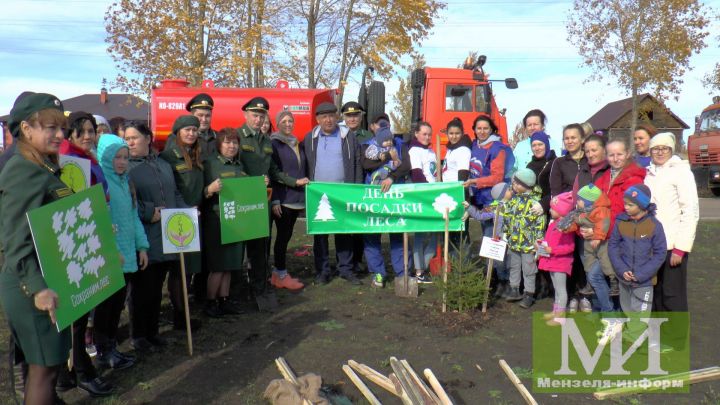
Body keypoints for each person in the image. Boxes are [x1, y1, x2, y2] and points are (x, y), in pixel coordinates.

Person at [0, 93, 75, 404]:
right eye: (50, 128)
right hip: (31, 283)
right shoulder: (23, 169)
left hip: (49, 275)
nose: (59, 136)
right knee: (43, 368)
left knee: (48, 366)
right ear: (26, 128)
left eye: (62, 129)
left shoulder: (42, 166)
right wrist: (38, 288)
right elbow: (16, 239)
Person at [57, 111, 114, 396]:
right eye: (83, 132)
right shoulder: (68, 161)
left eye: (93, 131)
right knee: (76, 314)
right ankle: (80, 370)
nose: (89, 137)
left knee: (80, 310)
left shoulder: (88, 159)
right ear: (71, 135)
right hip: (76, 240)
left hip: (92, 233)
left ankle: (68, 371)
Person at [239, 97, 308, 309]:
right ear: (245, 115)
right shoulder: (237, 138)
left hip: (263, 201)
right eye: (255, 115)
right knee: (242, 246)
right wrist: (251, 182)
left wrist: (294, 181)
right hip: (243, 200)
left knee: (262, 245)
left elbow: (274, 172)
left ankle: (261, 285)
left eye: (262, 116)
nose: (258, 119)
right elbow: (232, 166)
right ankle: (241, 288)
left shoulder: (265, 141)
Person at [126, 122, 187, 351]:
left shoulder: (163, 164)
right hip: (144, 237)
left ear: (148, 139)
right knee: (141, 288)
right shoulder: (127, 168)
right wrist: (148, 211)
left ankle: (152, 332)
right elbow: (127, 202)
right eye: (127, 138)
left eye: (134, 137)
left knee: (155, 288)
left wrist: (187, 212)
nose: (130, 142)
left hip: (167, 237)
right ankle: (138, 335)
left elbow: (174, 193)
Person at [93, 135, 149, 369]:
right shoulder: (102, 183)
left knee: (117, 305)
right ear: (105, 157)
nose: (122, 162)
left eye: (125, 157)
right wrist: (113, 250)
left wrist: (142, 246)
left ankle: (112, 346)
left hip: (127, 252)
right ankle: (103, 349)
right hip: (111, 255)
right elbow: (102, 221)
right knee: (105, 305)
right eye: (116, 157)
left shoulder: (125, 182)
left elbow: (133, 216)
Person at [644, 132, 699, 351]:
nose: (659, 152)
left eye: (664, 148)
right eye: (655, 148)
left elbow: (690, 211)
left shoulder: (681, 173)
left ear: (671, 150)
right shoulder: (649, 173)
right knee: (656, 292)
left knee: (673, 293)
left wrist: (681, 248)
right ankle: (659, 335)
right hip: (652, 245)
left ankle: (675, 340)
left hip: (673, 244)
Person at [304, 101, 363, 285]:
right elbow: (305, 164)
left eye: (331, 116)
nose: (328, 120)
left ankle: (345, 269)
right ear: (317, 119)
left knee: (343, 232)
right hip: (318, 194)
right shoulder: (309, 138)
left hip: (343, 192)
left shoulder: (348, 137)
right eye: (324, 117)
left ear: (337, 117)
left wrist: (356, 190)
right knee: (320, 235)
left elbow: (357, 163)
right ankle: (322, 271)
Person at [159, 115, 204, 330]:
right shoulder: (168, 156)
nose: (191, 133)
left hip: (195, 217)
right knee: (179, 270)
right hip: (178, 219)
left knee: (189, 269)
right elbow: (170, 189)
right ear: (177, 132)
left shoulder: (196, 155)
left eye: (194, 130)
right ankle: (179, 315)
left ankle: (184, 311)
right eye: (187, 129)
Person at [608, 185, 666, 345]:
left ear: (642, 205)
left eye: (630, 204)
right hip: (624, 278)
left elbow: (660, 253)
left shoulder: (654, 225)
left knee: (640, 312)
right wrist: (621, 269)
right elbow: (613, 246)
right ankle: (635, 336)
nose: (625, 207)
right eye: (625, 203)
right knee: (627, 308)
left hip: (644, 280)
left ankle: (634, 340)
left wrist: (641, 274)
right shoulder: (621, 222)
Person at [202, 128, 248, 316]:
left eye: (235, 143)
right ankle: (210, 303)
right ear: (219, 144)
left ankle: (224, 300)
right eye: (227, 142)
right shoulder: (210, 165)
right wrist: (209, 189)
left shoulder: (238, 165)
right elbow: (201, 193)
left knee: (230, 265)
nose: (231, 146)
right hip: (217, 221)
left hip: (235, 220)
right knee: (218, 266)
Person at [361, 119, 411, 288]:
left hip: (395, 195)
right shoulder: (367, 145)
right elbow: (366, 164)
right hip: (374, 196)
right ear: (372, 127)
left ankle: (402, 272)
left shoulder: (400, 144)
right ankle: (378, 272)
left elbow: (405, 165)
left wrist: (392, 177)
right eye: (378, 125)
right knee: (372, 235)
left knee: (397, 233)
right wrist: (387, 157)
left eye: (386, 125)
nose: (382, 128)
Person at [557, 183, 615, 313]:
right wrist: (566, 227)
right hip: (588, 244)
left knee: (604, 264)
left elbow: (603, 223)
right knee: (589, 268)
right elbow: (576, 224)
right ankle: (595, 295)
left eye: (580, 200)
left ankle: (613, 282)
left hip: (601, 243)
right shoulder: (582, 212)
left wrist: (597, 236)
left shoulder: (600, 210)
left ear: (588, 201)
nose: (577, 202)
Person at [269, 111, 307, 291]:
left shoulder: (296, 142)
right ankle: (281, 273)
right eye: (283, 121)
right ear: (277, 124)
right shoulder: (274, 143)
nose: (287, 124)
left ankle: (277, 274)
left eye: (290, 121)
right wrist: (274, 199)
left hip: (296, 198)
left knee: (288, 236)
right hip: (283, 199)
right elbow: (273, 172)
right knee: (282, 238)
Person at [464, 115, 515, 238]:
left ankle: (494, 258)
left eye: (485, 128)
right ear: (474, 129)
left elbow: (497, 177)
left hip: (492, 199)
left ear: (491, 129)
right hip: (479, 198)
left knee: (492, 236)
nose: (482, 132)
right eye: (479, 128)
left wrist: (474, 181)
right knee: (485, 232)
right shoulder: (475, 145)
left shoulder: (497, 148)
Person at [503, 168, 545, 308]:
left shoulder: (535, 203)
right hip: (514, 242)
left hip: (529, 245)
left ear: (524, 185)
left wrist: (538, 242)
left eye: (515, 183)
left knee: (529, 269)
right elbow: (507, 217)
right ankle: (514, 288)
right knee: (513, 266)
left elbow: (540, 224)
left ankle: (529, 293)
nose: (513, 185)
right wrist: (506, 234)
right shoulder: (513, 200)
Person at [341, 101, 374, 275]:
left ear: (361, 117)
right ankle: (345, 261)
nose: (352, 119)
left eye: (355, 115)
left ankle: (358, 260)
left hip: (362, 186)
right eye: (348, 116)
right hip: (344, 186)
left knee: (360, 226)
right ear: (343, 118)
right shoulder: (337, 135)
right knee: (345, 224)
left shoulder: (368, 136)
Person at [595, 138, 646, 240]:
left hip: (619, 235)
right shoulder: (605, 176)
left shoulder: (634, 179)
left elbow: (624, 211)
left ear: (627, 154)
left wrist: (602, 231)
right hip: (602, 231)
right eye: (611, 155)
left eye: (619, 154)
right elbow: (590, 201)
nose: (615, 158)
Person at [408, 121, 438, 283]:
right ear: (417, 134)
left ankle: (422, 269)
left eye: (429, 134)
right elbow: (417, 174)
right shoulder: (414, 151)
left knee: (435, 235)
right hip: (424, 196)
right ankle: (419, 271)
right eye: (424, 134)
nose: (427, 137)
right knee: (420, 235)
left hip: (434, 196)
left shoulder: (431, 151)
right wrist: (429, 193)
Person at [442, 117, 472, 249]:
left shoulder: (463, 150)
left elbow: (463, 176)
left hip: (458, 195)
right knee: (452, 230)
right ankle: (452, 263)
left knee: (461, 232)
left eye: (457, 133)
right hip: (450, 194)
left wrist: (464, 200)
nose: (454, 136)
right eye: (451, 133)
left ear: (462, 133)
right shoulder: (451, 149)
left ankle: (463, 264)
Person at [526, 131, 557, 216]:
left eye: (540, 144)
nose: (537, 148)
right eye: (534, 145)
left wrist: (544, 204)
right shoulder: (530, 166)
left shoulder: (555, 163)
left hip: (552, 209)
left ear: (546, 145)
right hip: (533, 210)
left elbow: (558, 190)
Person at [364, 120, 401, 184]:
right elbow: (368, 153)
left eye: (390, 140)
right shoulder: (374, 146)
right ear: (380, 141)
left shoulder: (392, 149)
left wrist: (396, 160)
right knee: (379, 175)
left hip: (389, 171)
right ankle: (375, 180)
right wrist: (379, 155)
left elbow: (398, 161)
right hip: (378, 170)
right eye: (386, 140)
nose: (389, 142)